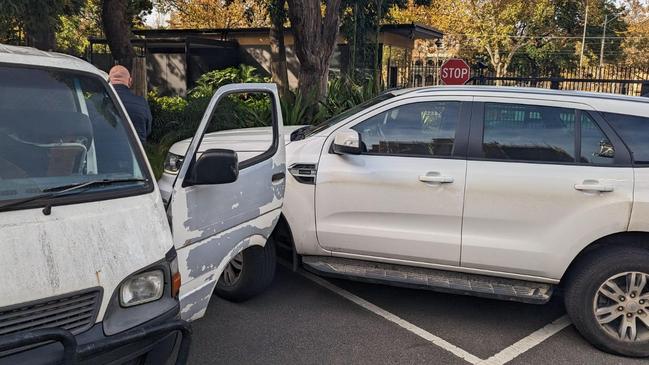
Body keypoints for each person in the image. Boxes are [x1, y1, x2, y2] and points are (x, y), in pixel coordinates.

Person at [108, 65, 152, 144]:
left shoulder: (95, 100)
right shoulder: (142, 102)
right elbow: (147, 130)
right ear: (130, 81)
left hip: (103, 152)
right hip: (134, 154)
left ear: (108, 80)